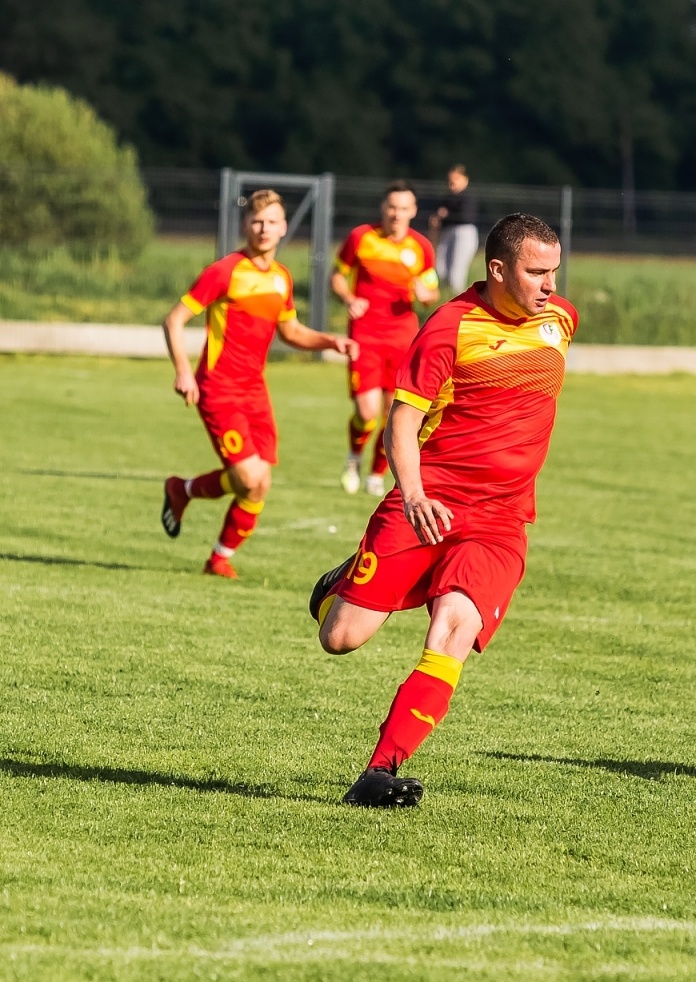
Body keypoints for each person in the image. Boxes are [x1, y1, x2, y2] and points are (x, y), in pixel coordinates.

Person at [308, 213, 578, 808]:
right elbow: (401, 421)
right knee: (342, 637)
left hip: (501, 520)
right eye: (537, 272)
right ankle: (344, 580)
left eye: (555, 271)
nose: (550, 285)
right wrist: (412, 494)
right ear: (498, 269)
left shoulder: (561, 322)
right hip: (428, 503)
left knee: (454, 624)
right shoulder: (450, 328)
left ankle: (379, 772)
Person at [160, 189, 358, 579]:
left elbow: (291, 331)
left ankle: (213, 549)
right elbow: (174, 320)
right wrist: (183, 370)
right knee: (250, 477)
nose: (263, 229)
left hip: (255, 391)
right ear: (245, 225)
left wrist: (329, 340)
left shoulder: (282, 278)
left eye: (271, 222)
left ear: (283, 228)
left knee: (255, 484)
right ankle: (188, 505)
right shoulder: (225, 271)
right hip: (217, 388)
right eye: (256, 221)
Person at [331, 180, 440, 496]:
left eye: (404, 208)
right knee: (366, 412)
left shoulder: (421, 247)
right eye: (392, 207)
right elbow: (337, 275)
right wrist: (349, 298)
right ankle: (353, 457)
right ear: (383, 208)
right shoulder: (361, 237)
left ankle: (377, 474)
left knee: (394, 414)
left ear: (413, 211)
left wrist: (426, 293)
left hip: (403, 338)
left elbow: (430, 291)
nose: (397, 213)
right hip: (364, 336)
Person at [429, 165, 480, 293]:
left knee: (456, 271)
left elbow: (465, 217)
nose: (452, 182)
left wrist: (445, 216)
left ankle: (456, 297)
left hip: (463, 233)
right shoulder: (446, 198)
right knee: (440, 268)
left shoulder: (467, 198)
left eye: (456, 178)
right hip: (447, 233)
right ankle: (446, 295)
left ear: (465, 180)